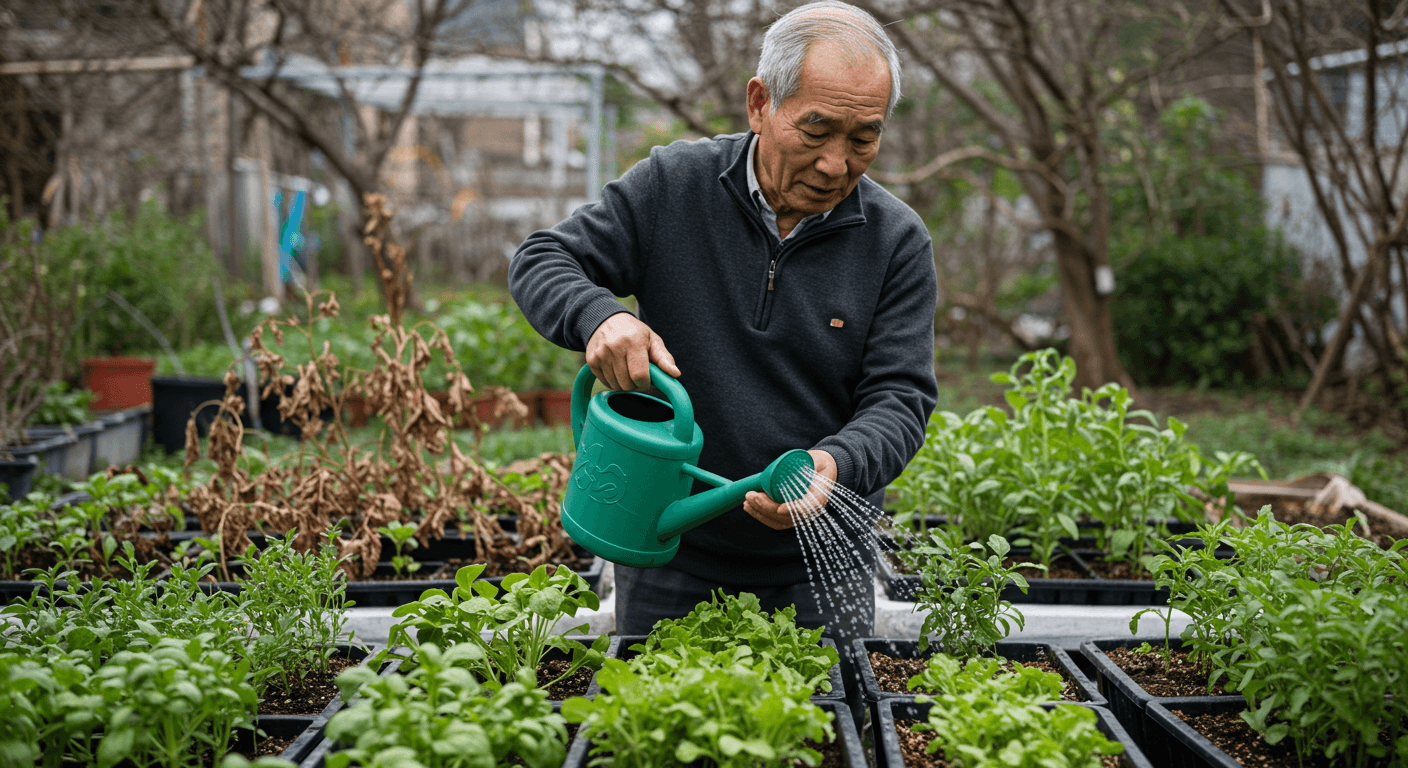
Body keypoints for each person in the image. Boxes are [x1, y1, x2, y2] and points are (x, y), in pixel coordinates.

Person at [509, 0, 937, 712]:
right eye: (817, 129)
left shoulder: (895, 241)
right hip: (673, 546)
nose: (837, 164)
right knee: (658, 735)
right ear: (759, 103)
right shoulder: (674, 187)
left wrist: (835, 465)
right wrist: (600, 317)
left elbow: (900, 400)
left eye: (865, 138)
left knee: (820, 736)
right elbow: (542, 258)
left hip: (818, 564)